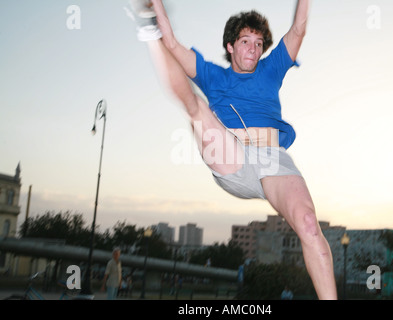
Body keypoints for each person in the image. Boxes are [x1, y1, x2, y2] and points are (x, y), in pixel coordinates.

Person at [128, 0, 337, 299]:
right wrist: (156, 9)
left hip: (273, 160)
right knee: (197, 108)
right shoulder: (214, 76)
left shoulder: (271, 69)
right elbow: (172, 44)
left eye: (258, 43)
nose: (253, 49)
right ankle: (147, 34)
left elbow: (299, 29)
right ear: (230, 46)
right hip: (231, 156)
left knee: (308, 222)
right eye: (245, 42)